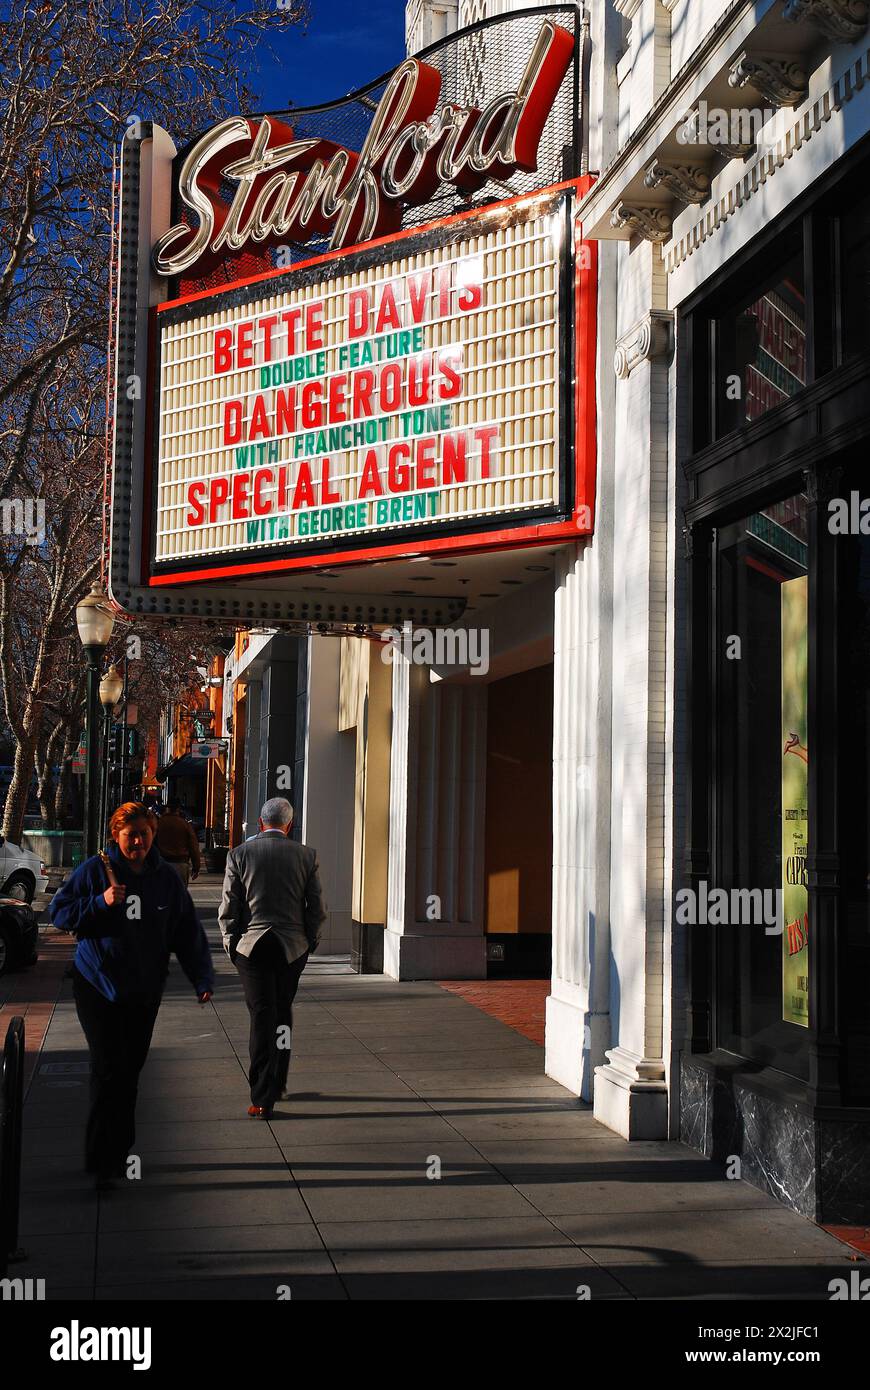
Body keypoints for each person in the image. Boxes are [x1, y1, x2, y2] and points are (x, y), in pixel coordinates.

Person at [49, 801, 214, 1189]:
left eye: (144, 834)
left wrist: (201, 977)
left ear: (154, 834)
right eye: (129, 836)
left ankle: (121, 1151)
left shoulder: (166, 879)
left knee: (129, 1073)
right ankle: (102, 1161)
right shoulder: (94, 871)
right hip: (97, 985)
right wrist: (99, 902)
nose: (137, 841)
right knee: (108, 1070)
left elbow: (186, 930)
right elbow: (59, 913)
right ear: (115, 836)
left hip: (144, 987)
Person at [219, 796, 325, 1119]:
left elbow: (229, 907)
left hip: (252, 947)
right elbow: (316, 908)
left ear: (261, 823)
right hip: (291, 947)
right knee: (281, 1013)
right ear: (289, 825)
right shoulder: (306, 856)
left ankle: (262, 1095)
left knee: (261, 1016)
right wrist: (309, 942)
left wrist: (231, 943)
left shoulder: (239, 855)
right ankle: (277, 1081)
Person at [155, 798, 201, 885]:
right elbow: (193, 847)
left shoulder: (158, 823)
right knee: (179, 895)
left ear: (167, 808)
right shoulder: (185, 825)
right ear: (178, 809)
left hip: (161, 863)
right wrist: (196, 867)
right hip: (180, 864)